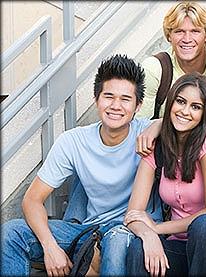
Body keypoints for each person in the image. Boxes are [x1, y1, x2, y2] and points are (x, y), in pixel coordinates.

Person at [0, 54, 162, 276]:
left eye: (125, 99)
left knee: (115, 245)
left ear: (138, 106)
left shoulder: (146, 132)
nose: (116, 106)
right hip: (89, 230)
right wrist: (50, 247)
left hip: (131, 230)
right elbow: (32, 200)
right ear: (96, 99)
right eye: (108, 96)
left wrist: (160, 124)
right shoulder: (73, 141)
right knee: (10, 233)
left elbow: (191, 119)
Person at [125, 72, 206, 276]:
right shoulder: (156, 146)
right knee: (138, 249)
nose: (185, 111)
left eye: (196, 107)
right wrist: (148, 235)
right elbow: (133, 214)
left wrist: (159, 229)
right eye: (180, 101)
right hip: (179, 245)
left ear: (205, 113)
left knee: (203, 225)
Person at [136, 1, 206, 140]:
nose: (187, 39)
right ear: (169, 36)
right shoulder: (155, 68)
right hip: (168, 142)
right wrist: (162, 124)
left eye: (195, 31)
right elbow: (140, 125)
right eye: (179, 31)